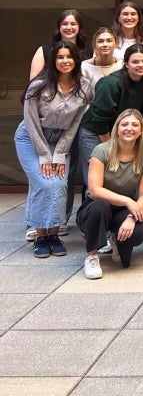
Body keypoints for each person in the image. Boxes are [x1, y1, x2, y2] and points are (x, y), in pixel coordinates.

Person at [16, 41, 92, 258]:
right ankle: (40, 235)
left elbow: (75, 124)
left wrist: (59, 154)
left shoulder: (84, 86)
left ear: (76, 60)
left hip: (60, 140)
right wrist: (43, 155)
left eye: (69, 57)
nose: (65, 61)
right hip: (31, 139)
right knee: (43, 181)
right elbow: (30, 122)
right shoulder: (38, 85)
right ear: (53, 61)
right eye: (60, 57)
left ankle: (54, 234)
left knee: (59, 183)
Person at [76, 109, 143, 279]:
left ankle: (117, 240)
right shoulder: (101, 151)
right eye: (124, 124)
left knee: (139, 230)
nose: (129, 128)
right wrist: (127, 201)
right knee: (100, 206)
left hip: (122, 211)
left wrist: (132, 217)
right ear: (117, 128)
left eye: (134, 125)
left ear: (141, 130)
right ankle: (92, 256)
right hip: (94, 209)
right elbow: (95, 190)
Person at [78, 44, 143, 191]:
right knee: (97, 180)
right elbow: (100, 120)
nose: (141, 65)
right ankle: (90, 212)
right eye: (135, 62)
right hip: (96, 132)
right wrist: (112, 147)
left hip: (119, 132)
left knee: (115, 179)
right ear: (126, 64)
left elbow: (140, 113)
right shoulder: (111, 83)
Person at [30, 9, 92, 79]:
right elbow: (33, 82)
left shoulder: (89, 52)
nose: (69, 27)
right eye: (65, 24)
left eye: (73, 24)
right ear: (59, 27)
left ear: (79, 27)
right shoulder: (44, 50)